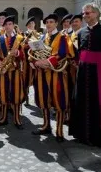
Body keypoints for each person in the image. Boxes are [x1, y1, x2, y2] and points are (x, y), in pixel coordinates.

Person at [69, 3, 101, 147]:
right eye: (84, 13)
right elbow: (79, 53)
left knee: (99, 104)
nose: (85, 16)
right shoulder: (80, 32)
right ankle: (82, 134)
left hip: (100, 74)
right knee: (82, 102)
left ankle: (100, 137)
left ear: (96, 14)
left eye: (88, 13)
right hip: (83, 74)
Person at [29, 13, 72, 141]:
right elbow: (34, 52)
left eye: (51, 22)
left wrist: (48, 62)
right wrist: (34, 61)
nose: (48, 24)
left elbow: (64, 53)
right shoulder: (42, 37)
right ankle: (46, 125)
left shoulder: (63, 37)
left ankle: (59, 131)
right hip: (42, 74)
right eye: (47, 22)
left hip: (56, 74)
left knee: (58, 102)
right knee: (44, 100)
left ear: (56, 23)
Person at [0, 15, 26, 129]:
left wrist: (17, 53)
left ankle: (17, 119)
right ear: (3, 26)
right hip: (3, 72)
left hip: (15, 71)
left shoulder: (20, 38)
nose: (7, 26)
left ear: (13, 25)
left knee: (16, 95)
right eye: (5, 24)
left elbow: (24, 56)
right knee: (3, 94)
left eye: (10, 24)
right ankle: (3, 118)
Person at [65, 13, 83, 124]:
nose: (74, 24)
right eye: (72, 22)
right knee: (69, 92)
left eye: (76, 21)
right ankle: (69, 115)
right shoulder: (68, 35)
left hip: (81, 68)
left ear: (81, 22)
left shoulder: (85, 33)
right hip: (69, 69)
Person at [22, 16, 37, 106]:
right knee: (26, 79)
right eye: (30, 24)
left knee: (36, 79)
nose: (32, 25)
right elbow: (22, 46)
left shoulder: (38, 34)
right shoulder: (24, 34)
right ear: (27, 26)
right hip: (27, 61)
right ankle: (26, 97)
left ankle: (37, 97)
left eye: (33, 24)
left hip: (37, 60)